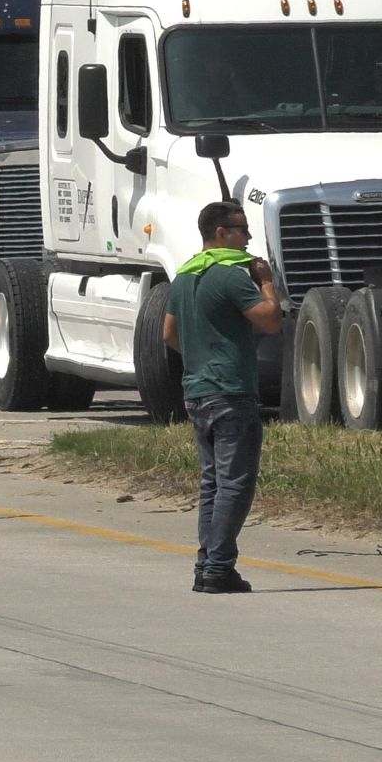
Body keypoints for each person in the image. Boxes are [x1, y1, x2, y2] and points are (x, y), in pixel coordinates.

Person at [161, 200, 283, 593]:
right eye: (242, 229)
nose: (248, 237)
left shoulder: (184, 276)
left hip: (197, 390)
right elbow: (269, 319)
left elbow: (168, 335)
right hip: (230, 391)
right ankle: (217, 566)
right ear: (221, 233)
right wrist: (266, 281)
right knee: (234, 483)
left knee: (212, 482)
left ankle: (207, 564)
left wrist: (201, 354)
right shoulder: (231, 276)